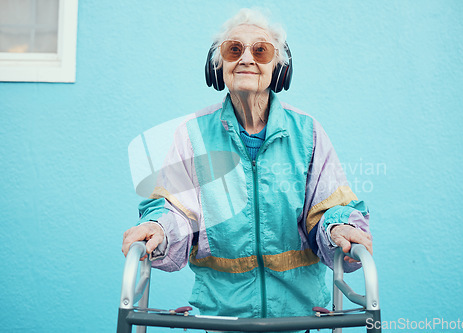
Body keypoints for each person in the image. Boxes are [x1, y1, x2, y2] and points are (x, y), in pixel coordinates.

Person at [122, 7, 372, 329]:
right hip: (221, 319)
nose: (246, 59)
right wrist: (158, 227)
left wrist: (339, 229)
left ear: (279, 68)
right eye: (234, 49)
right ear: (219, 66)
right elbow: (177, 211)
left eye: (261, 50)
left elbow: (328, 207)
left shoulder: (307, 133)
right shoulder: (193, 134)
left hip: (296, 319)